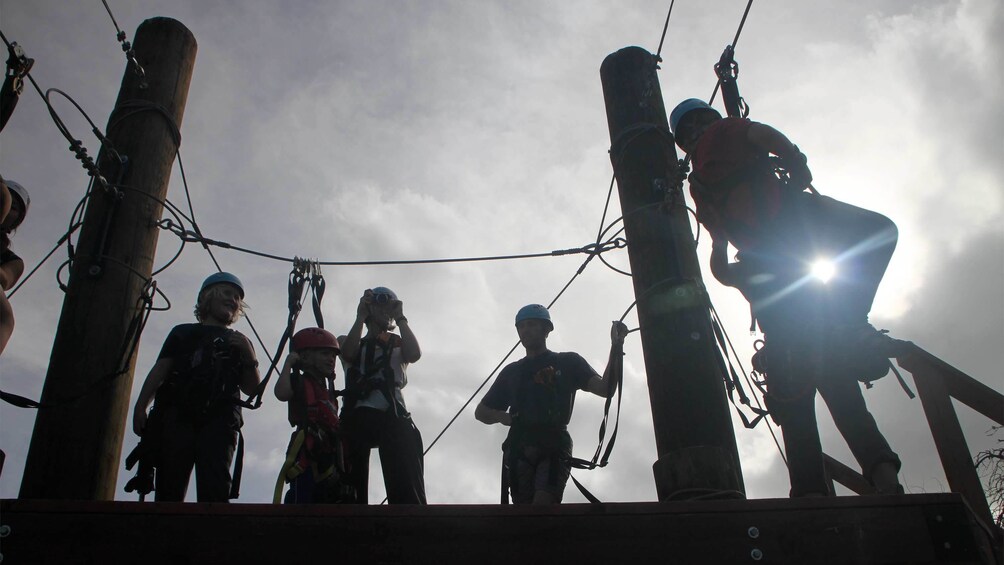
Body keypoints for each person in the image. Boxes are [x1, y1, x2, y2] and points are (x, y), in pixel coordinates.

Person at [670, 98, 904, 496]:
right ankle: (887, 484)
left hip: (783, 349)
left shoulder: (698, 185)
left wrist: (730, 257)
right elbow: (764, 135)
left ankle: (811, 506)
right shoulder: (726, 129)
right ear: (706, 121)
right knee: (880, 231)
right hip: (820, 312)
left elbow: (721, 262)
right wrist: (796, 162)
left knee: (797, 423)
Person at [475, 304, 628, 504]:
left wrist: (616, 347)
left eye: (532, 325)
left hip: (553, 444)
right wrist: (501, 416)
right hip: (520, 446)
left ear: (547, 329)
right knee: (523, 513)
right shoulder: (512, 372)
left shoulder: (568, 362)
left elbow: (605, 388)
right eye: (521, 326)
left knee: (542, 507)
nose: (525, 330)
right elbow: (481, 412)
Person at [131, 272, 261, 502]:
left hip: (220, 420)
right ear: (207, 297)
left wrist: (249, 356)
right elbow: (160, 371)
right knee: (170, 481)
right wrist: (141, 406)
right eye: (227, 293)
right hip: (178, 414)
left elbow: (252, 390)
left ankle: (212, 533)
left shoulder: (240, 342)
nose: (233, 300)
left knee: (215, 484)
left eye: (237, 298)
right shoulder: (183, 333)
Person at [338, 286, 426, 504]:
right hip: (358, 412)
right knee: (350, 482)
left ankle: (408, 516)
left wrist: (400, 317)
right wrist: (361, 316)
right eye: (380, 302)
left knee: (405, 476)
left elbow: (414, 354)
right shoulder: (349, 340)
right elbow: (348, 353)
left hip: (393, 412)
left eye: (389, 303)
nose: (385, 308)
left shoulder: (398, 344)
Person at [273, 327, 351, 504]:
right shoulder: (299, 382)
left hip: (329, 453)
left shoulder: (329, 392)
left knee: (328, 497)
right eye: (325, 354)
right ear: (305, 357)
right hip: (306, 451)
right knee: (303, 496)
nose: (331, 359)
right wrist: (288, 365)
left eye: (333, 356)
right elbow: (282, 393)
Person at [0, 178, 29, 355]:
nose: (7, 207)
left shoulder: (13, 260)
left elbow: (4, 278)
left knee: (4, 317)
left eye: (14, 208)